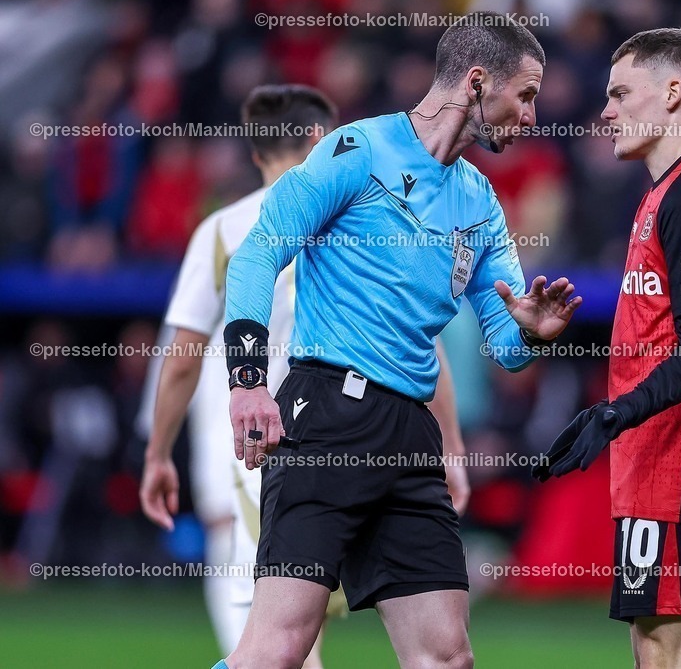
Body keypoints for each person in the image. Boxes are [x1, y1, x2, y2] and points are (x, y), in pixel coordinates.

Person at [216, 14, 580, 669]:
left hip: (412, 439)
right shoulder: (358, 151)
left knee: (447, 658)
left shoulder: (480, 203)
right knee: (277, 650)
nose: (531, 115)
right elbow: (256, 256)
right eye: (525, 95)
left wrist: (531, 332)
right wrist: (247, 384)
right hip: (327, 417)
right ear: (476, 82)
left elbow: (507, 347)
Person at [138, 84, 470, 667]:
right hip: (360, 436)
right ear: (324, 137)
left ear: (254, 150)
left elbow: (185, 354)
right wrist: (454, 448)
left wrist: (158, 452)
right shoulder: (375, 215)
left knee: (282, 643)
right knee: (296, 644)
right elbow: (422, 345)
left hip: (257, 447)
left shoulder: (225, 229)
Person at [536, 28, 681, 669]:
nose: (605, 111)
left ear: (672, 93)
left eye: (619, 93)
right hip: (657, 466)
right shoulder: (668, 195)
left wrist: (612, 414)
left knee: (667, 647)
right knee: (653, 647)